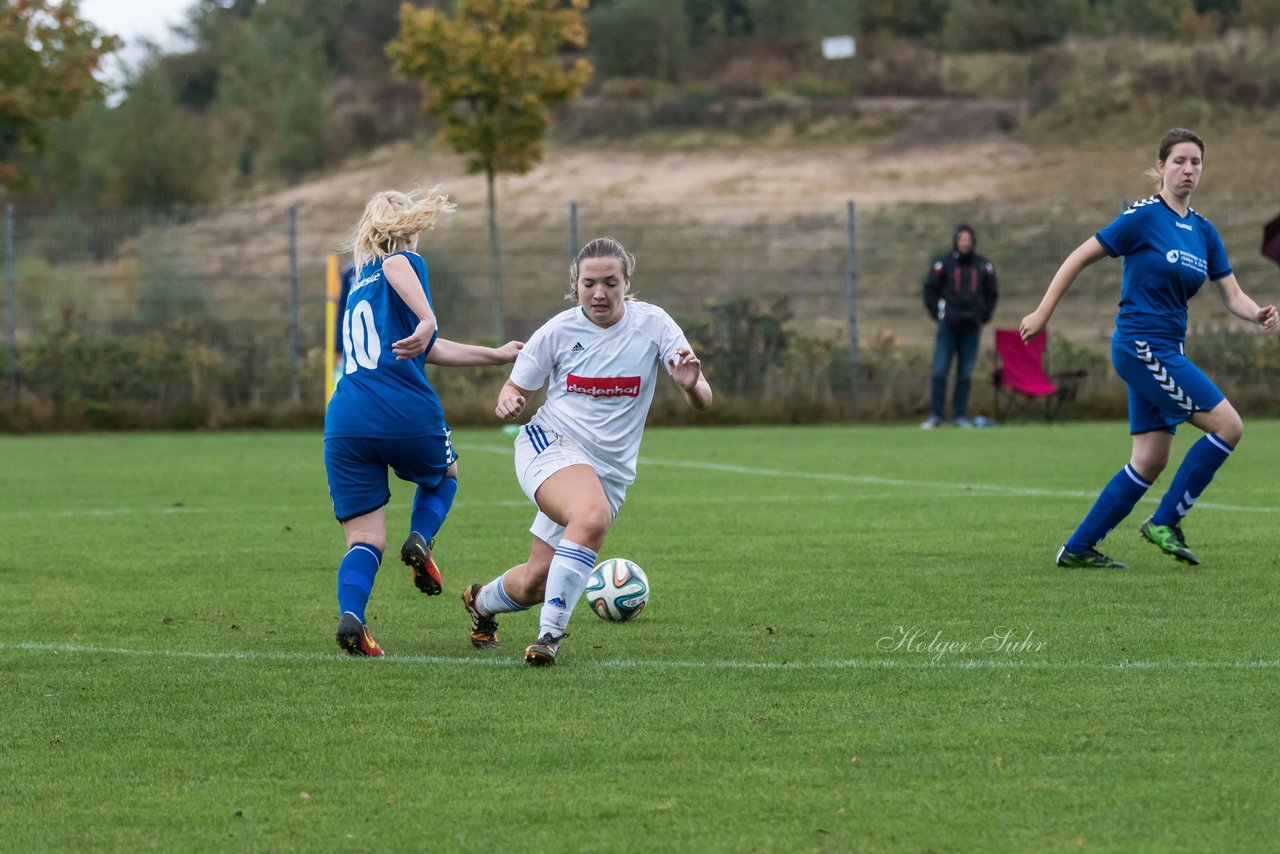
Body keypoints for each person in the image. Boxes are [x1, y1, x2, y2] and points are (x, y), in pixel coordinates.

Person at [1020, 128, 1277, 569]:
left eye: (1196, 162)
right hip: (1142, 346)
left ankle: (1077, 550)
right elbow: (1078, 256)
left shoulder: (1204, 231)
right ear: (1161, 166)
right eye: (1179, 161)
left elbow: (1232, 295)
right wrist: (1043, 313)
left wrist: (1257, 314)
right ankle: (1165, 522)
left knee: (1150, 459)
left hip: (1163, 350)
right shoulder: (1142, 216)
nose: (1188, 170)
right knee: (1229, 426)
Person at [459, 236, 713, 667]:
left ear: (627, 282)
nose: (599, 293)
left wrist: (691, 385)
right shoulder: (557, 332)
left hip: (608, 473)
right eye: (589, 283)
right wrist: (510, 401)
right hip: (551, 444)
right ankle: (549, 636)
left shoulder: (653, 325)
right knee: (590, 515)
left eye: (610, 283)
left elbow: (703, 398)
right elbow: (515, 387)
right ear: (575, 285)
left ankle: (481, 602)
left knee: (536, 581)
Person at [325, 187, 522, 655]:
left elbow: (426, 347)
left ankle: (353, 618)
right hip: (401, 410)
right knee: (444, 476)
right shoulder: (401, 262)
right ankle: (421, 539)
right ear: (408, 227)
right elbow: (402, 273)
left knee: (364, 537)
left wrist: (494, 355)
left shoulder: (359, 283)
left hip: (345, 420)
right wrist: (429, 315)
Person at [922, 224, 998, 428]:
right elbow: (929, 289)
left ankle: (959, 416)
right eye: (961, 238)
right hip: (948, 326)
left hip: (971, 327)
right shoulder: (943, 264)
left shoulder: (983, 266)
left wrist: (983, 316)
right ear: (956, 240)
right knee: (939, 371)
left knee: (965, 374)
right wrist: (937, 314)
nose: (965, 242)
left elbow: (992, 293)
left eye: (968, 238)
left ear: (973, 241)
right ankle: (936, 416)